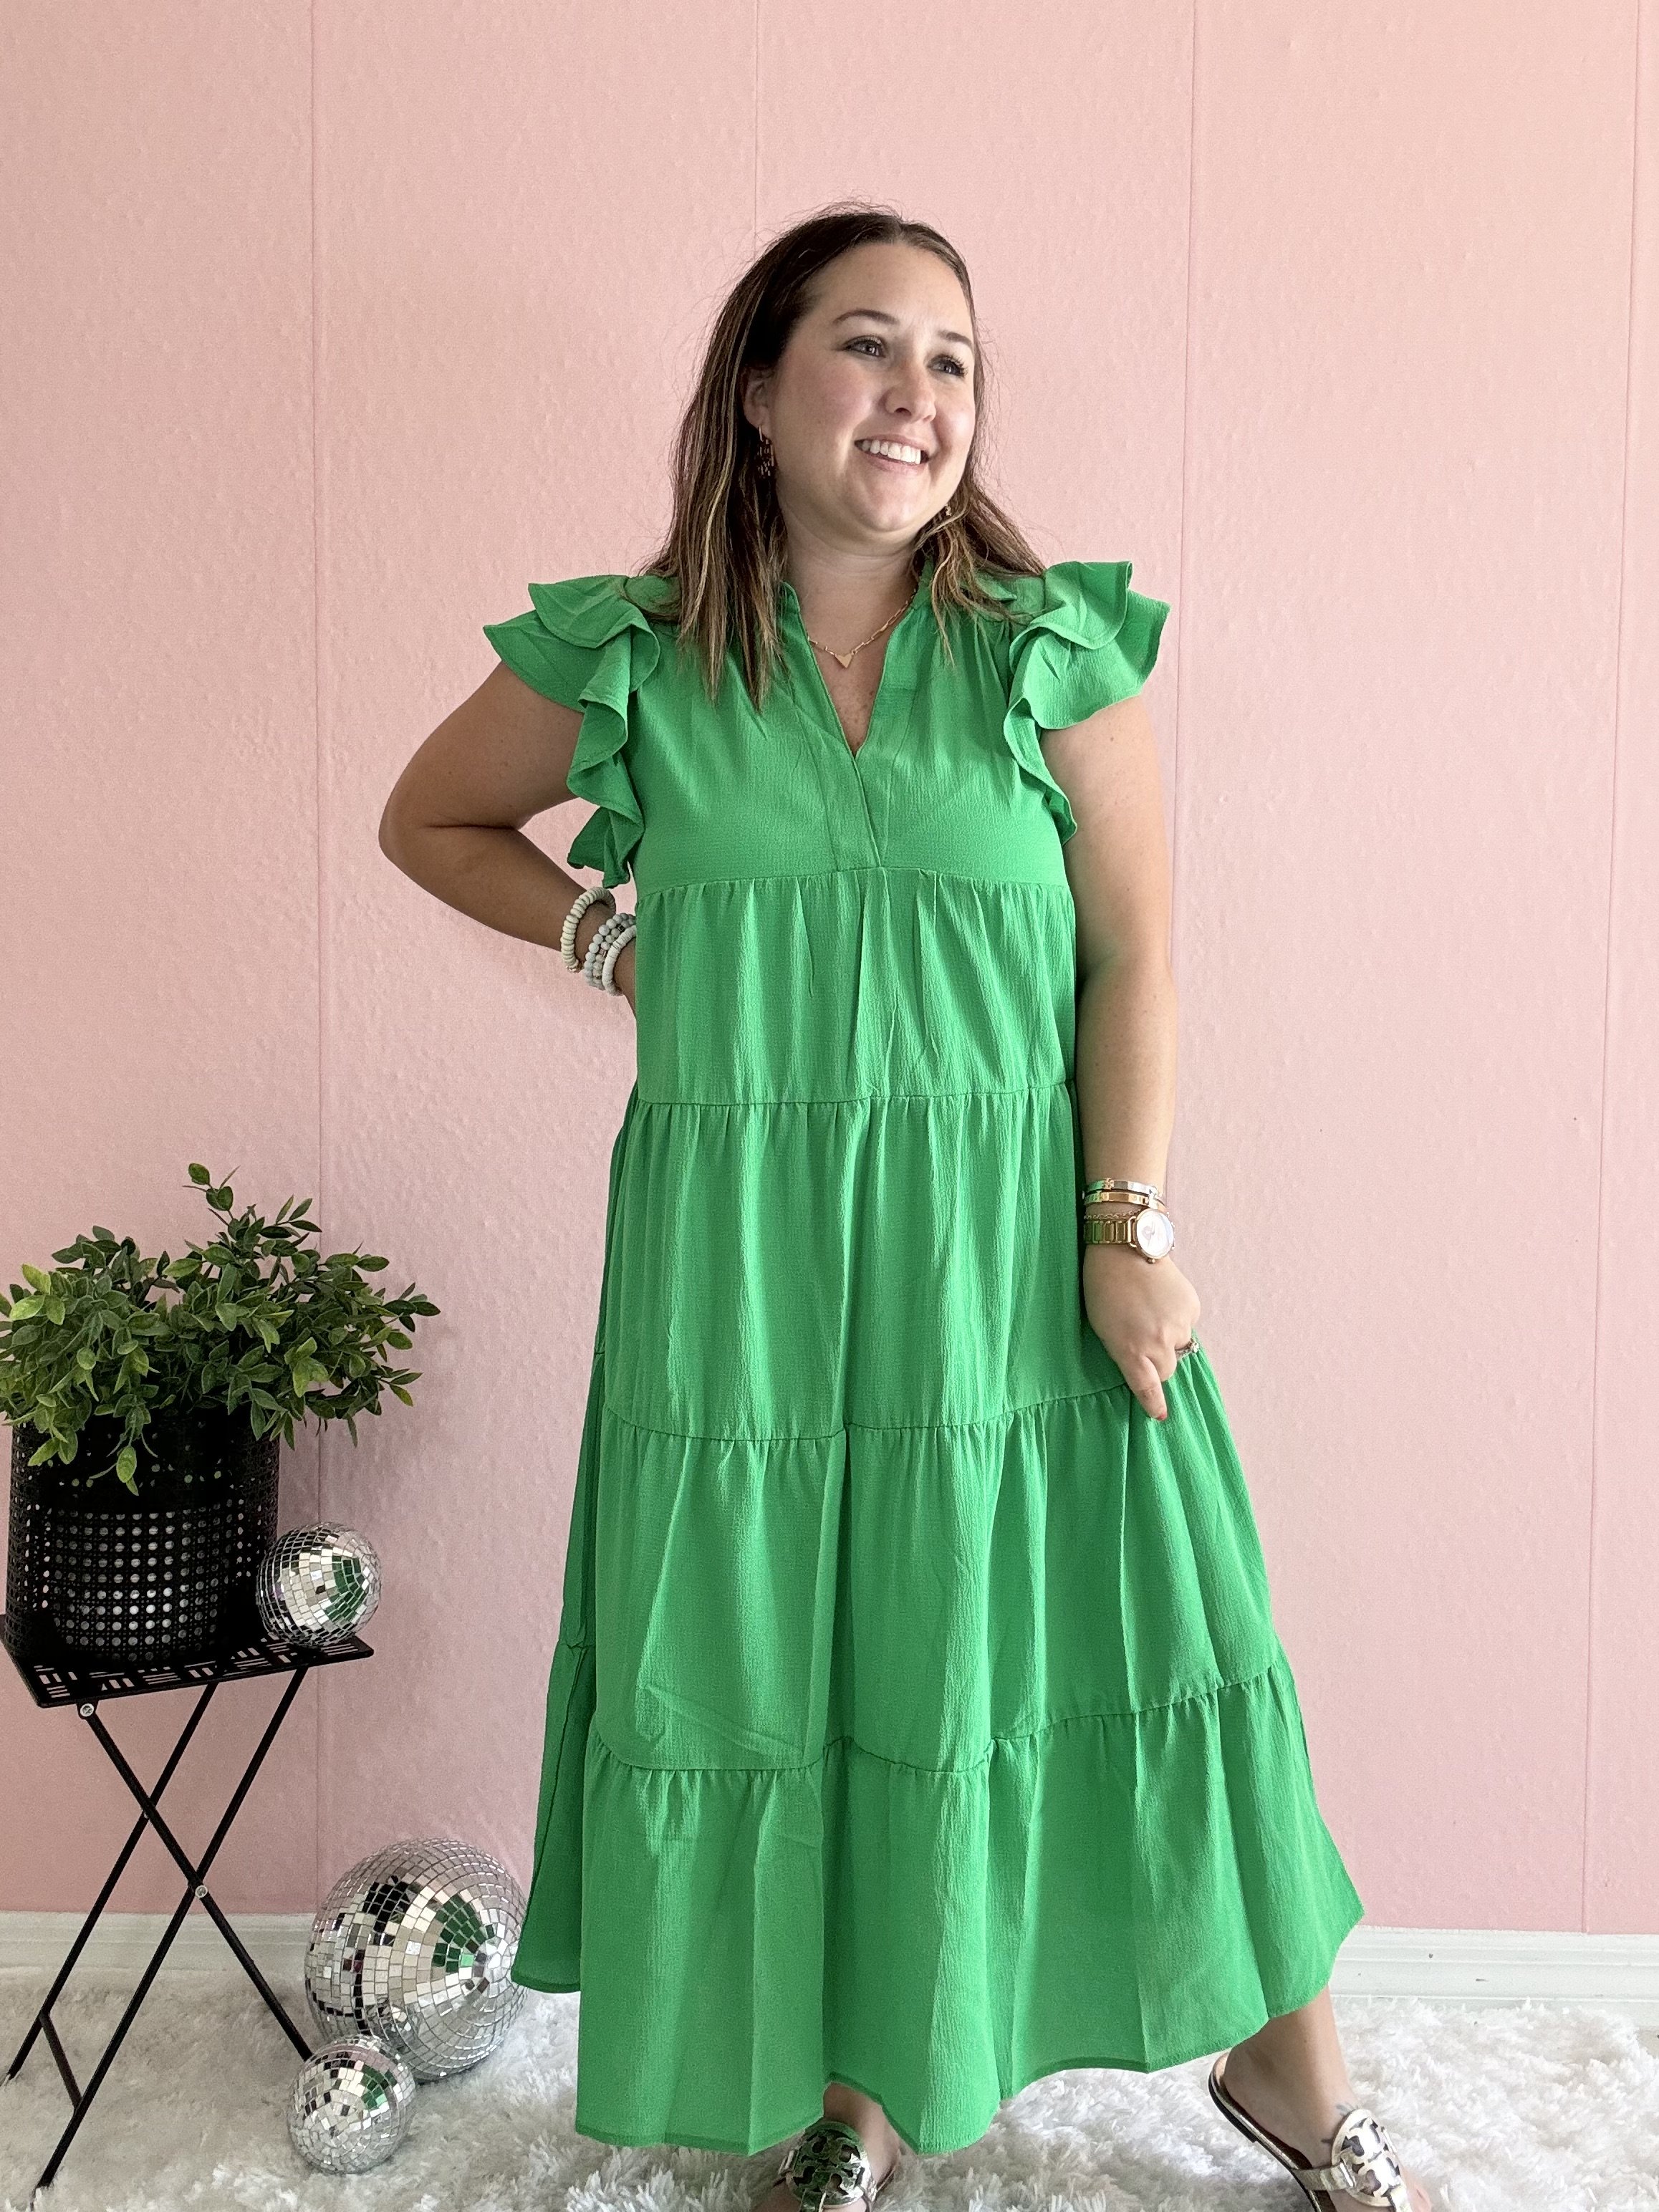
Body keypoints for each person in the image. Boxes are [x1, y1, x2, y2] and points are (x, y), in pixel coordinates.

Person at [378, 203, 1440, 2212]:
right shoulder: (638, 655)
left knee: (1169, 1623)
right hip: (742, 1266)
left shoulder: (1047, 650)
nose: (915, 394)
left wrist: (1124, 1227)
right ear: (759, 388)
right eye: (868, 345)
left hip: (1012, 1248)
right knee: (809, 1651)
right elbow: (428, 817)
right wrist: (604, 933)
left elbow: (1132, 958)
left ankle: (1288, 2064)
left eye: (951, 360)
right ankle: (854, 2085)